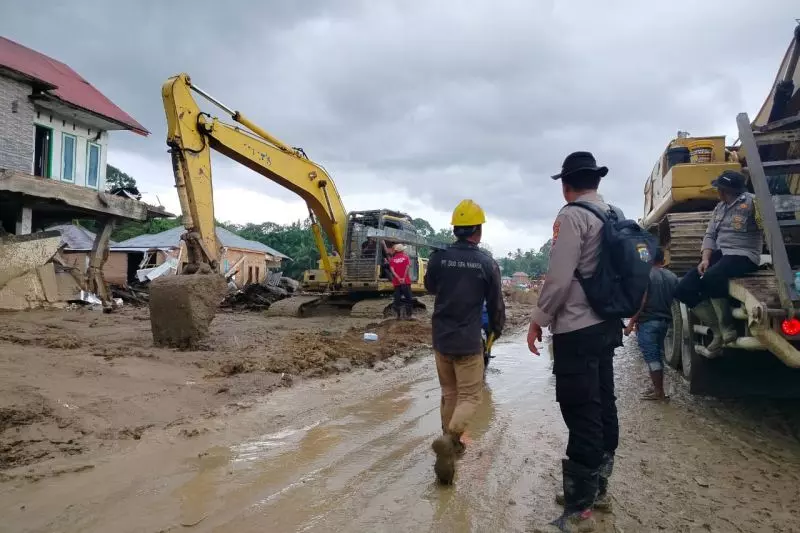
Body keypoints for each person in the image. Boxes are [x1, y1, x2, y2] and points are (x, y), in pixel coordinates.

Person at [527, 151, 622, 533]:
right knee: (603, 400)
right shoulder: (613, 214)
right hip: (607, 325)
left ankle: (578, 510)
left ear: (566, 186)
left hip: (577, 327)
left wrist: (537, 321)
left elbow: (559, 278)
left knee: (580, 409)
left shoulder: (571, 216)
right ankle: (598, 488)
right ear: (596, 182)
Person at [424, 199, 505, 485]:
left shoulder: (438, 257)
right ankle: (450, 438)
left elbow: (430, 287)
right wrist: (497, 327)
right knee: (471, 396)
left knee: (449, 392)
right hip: (468, 340)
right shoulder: (486, 262)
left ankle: (451, 445)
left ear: (456, 229)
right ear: (478, 231)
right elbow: (495, 302)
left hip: (441, 337)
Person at [674, 170, 762, 353]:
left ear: (726, 190)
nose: (717, 192)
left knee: (712, 276)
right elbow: (710, 235)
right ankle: (717, 331)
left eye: (719, 189)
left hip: (744, 255)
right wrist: (705, 259)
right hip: (721, 254)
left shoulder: (754, 202)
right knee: (684, 288)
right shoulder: (719, 208)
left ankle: (727, 328)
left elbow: (767, 229)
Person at [624, 247, 679, 401]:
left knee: (652, 358)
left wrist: (631, 323)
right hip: (664, 322)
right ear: (662, 260)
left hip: (648, 322)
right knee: (657, 356)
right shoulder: (672, 276)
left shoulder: (645, 275)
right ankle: (657, 388)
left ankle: (659, 393)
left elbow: (642, 301)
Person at [387, 243, 413, 319]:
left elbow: (392, 271)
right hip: (406, 282)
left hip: (397, 283)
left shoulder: (392, 260)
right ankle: (409, 315)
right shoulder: (406, 258)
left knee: (397, 299)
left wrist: (398, 278)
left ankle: (398, 316)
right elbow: (407, 268)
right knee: (408, 299)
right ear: (402, 250)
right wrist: (403, 278)